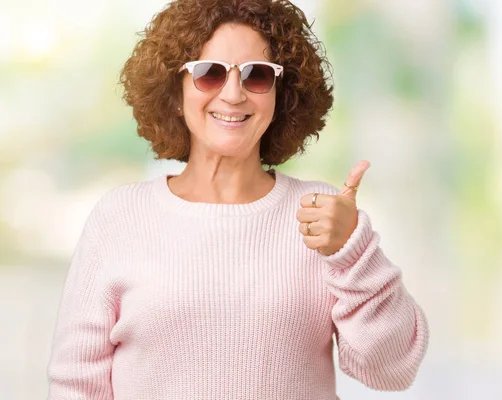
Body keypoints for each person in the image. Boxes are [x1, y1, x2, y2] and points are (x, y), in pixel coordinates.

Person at [46, 0, 429, 399]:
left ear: (282, 94)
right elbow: (77, 384)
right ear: (175, 92)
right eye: (209, 74)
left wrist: (353, 252)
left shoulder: (325, 217)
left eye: (257, 76)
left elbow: (392, 370)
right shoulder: (119, 218)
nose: (233, 94)